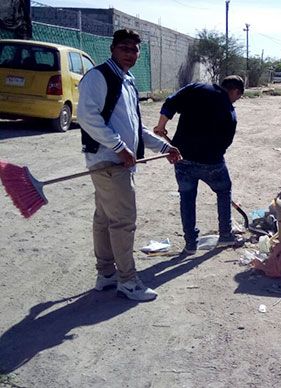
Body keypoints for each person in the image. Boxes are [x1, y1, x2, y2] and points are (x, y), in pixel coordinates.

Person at [78, 29, 181, 302]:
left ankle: (106, 274)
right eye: (124, 47)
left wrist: (164, 147)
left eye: (134, 49)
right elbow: (87, 117)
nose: (130, 53)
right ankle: (127, 281)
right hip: (109, 162)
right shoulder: (99, 77)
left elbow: (136, 126)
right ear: (112, 49)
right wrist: (118, 147)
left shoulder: (127, 81)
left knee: (104, 219)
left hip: (115, 161)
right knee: (123, 222)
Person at [153, 75, 245, 254]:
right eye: (238, 96)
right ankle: (225, 235)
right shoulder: (229, 113)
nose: (236, 101)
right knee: (224, 190)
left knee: (187, 198)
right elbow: (225, 144)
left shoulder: (197, 88)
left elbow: (171, 102)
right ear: (234, 91)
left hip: (182, 158)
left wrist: (161, 125)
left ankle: (190, 244)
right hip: (212, 163)